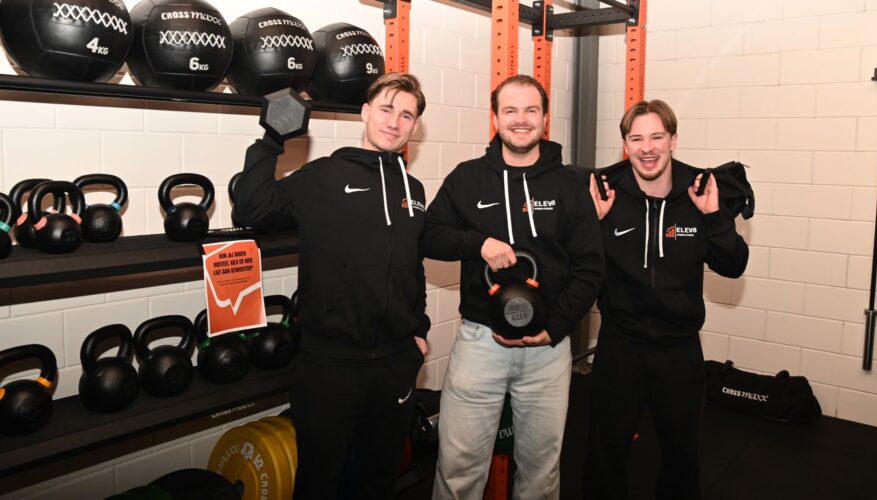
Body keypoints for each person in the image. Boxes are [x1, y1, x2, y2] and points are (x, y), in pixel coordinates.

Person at [232, 72, 430, 500]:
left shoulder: (413, 190)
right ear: (365, 112)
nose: (394, 121)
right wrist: (271, 140)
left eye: (406, 115)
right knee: (320, 484)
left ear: (414, 126)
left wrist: (419, 329)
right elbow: (251, 207)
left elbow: (413, 265)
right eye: (386, 109)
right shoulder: (323, 176)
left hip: (395, 363)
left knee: (379, 482)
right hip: (330, 367)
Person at [423, 74, 605, 499]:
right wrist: (478, 243)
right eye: (510, 110)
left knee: (541, 474)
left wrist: (555, 327)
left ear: (545, 118)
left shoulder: (569, 186)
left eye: (530, 110)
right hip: (480, 343)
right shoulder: (467, 178)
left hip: (548, 349)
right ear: (495, 118)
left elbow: (591, 269)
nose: (521, 119)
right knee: (458, 470)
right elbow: (429, 235)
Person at [584, 99, 750, 500]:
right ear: (625, 145)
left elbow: (733, 265)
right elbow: (578, 267)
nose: (647, 148)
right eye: (636, 138)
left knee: (682, 459)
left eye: (657, 137)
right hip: (620, 346)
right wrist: (593, 225)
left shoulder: (699, 192)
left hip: (679, 350)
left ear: (673, 140)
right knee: (605, 456)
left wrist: (714, 216)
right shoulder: (605, 193)